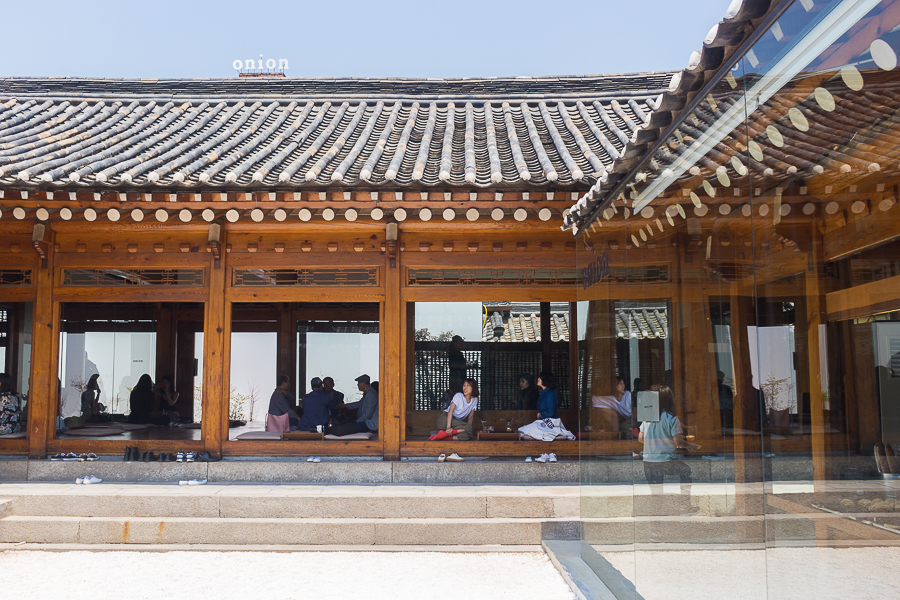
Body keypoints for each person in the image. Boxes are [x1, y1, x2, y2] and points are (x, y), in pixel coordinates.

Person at [638, 385, 695, 514]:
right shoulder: (671, 418)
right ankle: (685, 506)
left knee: (656, 493)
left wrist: (655, 441)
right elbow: (678, 442)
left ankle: (657, 523)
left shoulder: (647, 417)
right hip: (665, 461)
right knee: (686, 471)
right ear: (670, 399)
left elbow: (640, 439)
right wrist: (692, 446)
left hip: (648, 463)